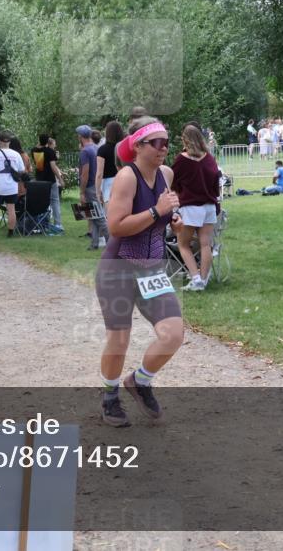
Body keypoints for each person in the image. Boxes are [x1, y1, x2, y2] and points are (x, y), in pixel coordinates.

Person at [96, 116, 185, 426]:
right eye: (157, 143)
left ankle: (140, 381)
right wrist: (155, 212)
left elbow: (163, 216)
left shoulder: (167, 174)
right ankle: (109, 396)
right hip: (118, 268)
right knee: (119, 340)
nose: (164, 148)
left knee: (173, 333)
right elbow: (116, 226)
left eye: (166, 142)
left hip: (152, 270)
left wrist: (173, 220)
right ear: (138, 146)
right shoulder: (126, 178)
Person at [171, 124, 220, 291]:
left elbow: (173, 183)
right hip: (209, 206)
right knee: (205, 244)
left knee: (183, 244)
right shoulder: (209, 158)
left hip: (191, 207)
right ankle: (203, 279)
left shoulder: (181, 160)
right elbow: (216, 183)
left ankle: (196, 278)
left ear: (185, 139)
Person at [0, 132, 27, 237]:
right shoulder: (16, 154)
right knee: (11, 209)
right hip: (12, 187)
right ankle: (10, 233)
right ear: (9, 142)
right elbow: (22, 170)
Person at [77, 124, 110, 250]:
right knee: (94, 215)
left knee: (100, 217)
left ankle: (111, 243)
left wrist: (81, 191)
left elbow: (84, 173)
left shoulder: (85, 151)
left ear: (80, 136)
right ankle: (94, 243)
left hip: (89, 186)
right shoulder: (96, 148)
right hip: (97, 185)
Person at [31, 134, 65, 232]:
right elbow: (53, 167)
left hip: (39, 179)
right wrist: (60, 178)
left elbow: (39, 162)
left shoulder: (34, 150)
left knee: (42, 202)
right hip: (50, 179)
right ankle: (58, 224)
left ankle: (43, 223)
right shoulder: (50, 151)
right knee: (55, 201)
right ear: (47, 142)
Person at [96, 121, 123, 208]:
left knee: (109, 215)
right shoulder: (123, 148)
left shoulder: (102, 150)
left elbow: (99, 173)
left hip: (108, 183)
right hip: (124, 179)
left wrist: (97, 191)